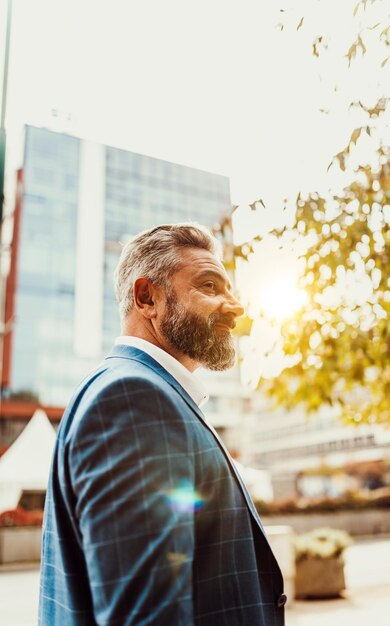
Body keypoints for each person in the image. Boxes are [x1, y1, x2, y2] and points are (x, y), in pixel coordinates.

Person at [39, 223, 286, 626]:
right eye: (210, 286)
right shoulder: (135, 400)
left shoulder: (137, 391)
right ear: (146, 297)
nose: (235, 306)